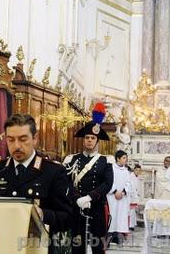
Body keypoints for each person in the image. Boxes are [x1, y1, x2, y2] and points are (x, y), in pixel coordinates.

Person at [0, 114, 73, 252]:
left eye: (23, 139)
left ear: (34, 138)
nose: (16, 146)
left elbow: (67, 218)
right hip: (1, 245)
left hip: (37, 247)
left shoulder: (53, 171)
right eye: (11, 140)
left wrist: (41, 215)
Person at [63, 103, 114, 254]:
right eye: (87, 138)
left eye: (92, 138)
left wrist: (90, 197)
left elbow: (107, 184)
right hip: (76, 208)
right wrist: (77, 198)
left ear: (97, 141)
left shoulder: (106, 161)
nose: (89, 140)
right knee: (77, 247)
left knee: (98, 247)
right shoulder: (71, 160)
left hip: (97, 209)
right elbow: (66, 182)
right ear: (83, 140)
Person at [152, 156, 170, 239]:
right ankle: (160, 232)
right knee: (162, 212)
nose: (167, 162)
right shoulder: (159, 171)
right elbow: (160, 180)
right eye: (166, 161)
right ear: (163, 161)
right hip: (163, 195)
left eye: (169, 161)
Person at [106, 150, 131, 245]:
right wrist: (115, 191)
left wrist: (123, 192)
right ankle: (108, 236)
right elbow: (108, 181)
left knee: (120, 216)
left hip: (122, 198)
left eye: (126, 158)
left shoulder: (126, 171)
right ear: (118, 159)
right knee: (112, 215)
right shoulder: (110, 169)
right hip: (112, 197)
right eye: (124, 158)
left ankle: (116, 235)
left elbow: (129, 183)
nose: (126, 160)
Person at [129, 164, 141, 231]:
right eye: (136, 170)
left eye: (139, 170)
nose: (137, 171)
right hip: (131, 196)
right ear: (134, 170)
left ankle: (132, 224)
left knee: (133, 211)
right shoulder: (131, 176)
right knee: (130, 211)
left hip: (135, 195)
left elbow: (137, 187)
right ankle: (130, 225)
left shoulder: (137, 177)